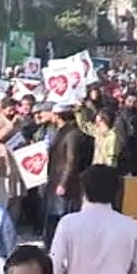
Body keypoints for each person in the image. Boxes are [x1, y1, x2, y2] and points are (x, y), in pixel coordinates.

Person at [44, 103, 87, 250]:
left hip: (64, 181)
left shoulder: (72, 134)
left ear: (58, 116)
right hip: (54, 178)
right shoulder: (60, 132)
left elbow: (71, 160)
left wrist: (64, 182)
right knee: (53, 216)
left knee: (64, 216)